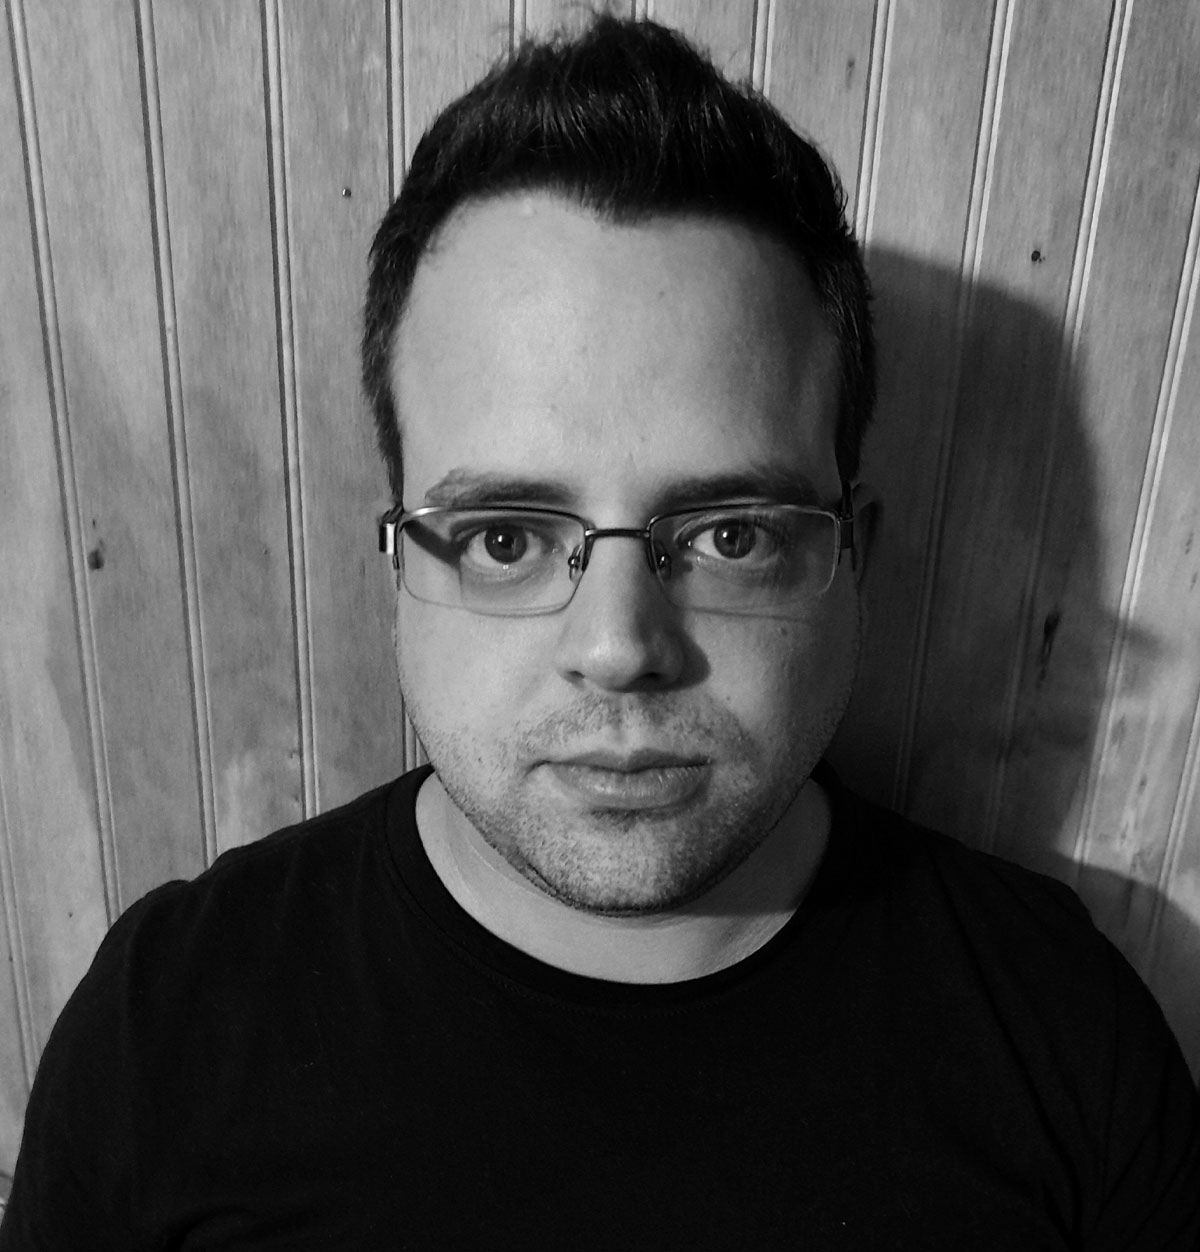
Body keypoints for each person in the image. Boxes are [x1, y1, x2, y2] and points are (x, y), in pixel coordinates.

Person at [2, 15, 1198, 1250]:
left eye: (731, 533)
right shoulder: (165, 1027)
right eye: (504, 538)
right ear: (399, 565)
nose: (621, 645)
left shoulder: (1069, 1041)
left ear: (855, 564)